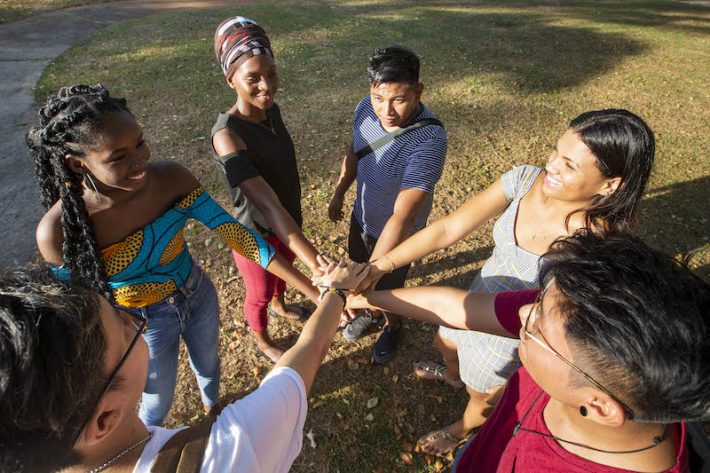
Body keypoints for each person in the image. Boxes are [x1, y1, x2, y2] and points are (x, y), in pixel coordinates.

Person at [353, 109, 656, 455]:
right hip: (474, 296)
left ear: (610, 184)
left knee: (482, 395)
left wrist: (368, 297)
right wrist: (378, 268)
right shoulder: (526, 180)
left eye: (569, 165)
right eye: (557, 151)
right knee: (444, 342)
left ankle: (460, 429)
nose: (552, 166)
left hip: (509, 336)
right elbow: (449, 229)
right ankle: (453, 375)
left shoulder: (595, 248)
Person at [27, 84, 319, 428]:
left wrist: (314, 291)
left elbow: (238, 235)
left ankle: (214, 407)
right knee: (156, 400)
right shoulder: (59, 232)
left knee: (209, 365)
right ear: (77, 164)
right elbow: (78, 309)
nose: (140, 162)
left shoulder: (171, 178)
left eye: (140, 142)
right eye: (118, 157)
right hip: (141, 325)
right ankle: (145, 442)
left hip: (197, 296)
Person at [348, 231, 710, 472]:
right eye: (537, 302)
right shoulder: (577, 329)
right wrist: (363, 297)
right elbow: (465, 307)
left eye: (536, 322)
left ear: (600, 406)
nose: (522, 313)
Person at [0, 259, 369, 473]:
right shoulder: (228, 449)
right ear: (104, 420)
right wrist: (335, 292)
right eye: (127, 326)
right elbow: (307, 352)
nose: (132, 320)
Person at [211, 16, 324, 362]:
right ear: (231, 79)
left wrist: (312, 264)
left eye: (271, 73)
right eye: (253, 78)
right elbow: (267, 204)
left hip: (288, 222)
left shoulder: (271, 111)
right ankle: (262, 338)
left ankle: (281, 303)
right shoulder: (227, 135)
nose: (267, 86)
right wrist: (319, 269)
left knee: (281, 279)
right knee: (258, 292)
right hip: (254, 234)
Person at [328, 45, 447, 363]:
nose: (387, 110)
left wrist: (369, 273)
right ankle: (371, 309)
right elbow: (355, 151)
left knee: (387, 290)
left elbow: (403, 215)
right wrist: (340, 192)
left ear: (419, 91)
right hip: (362, 218)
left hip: (397, 236)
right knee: (360, 271)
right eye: (380, 98)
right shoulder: (365, 108)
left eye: (399, 99)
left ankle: (392, 324)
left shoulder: (428, 141)